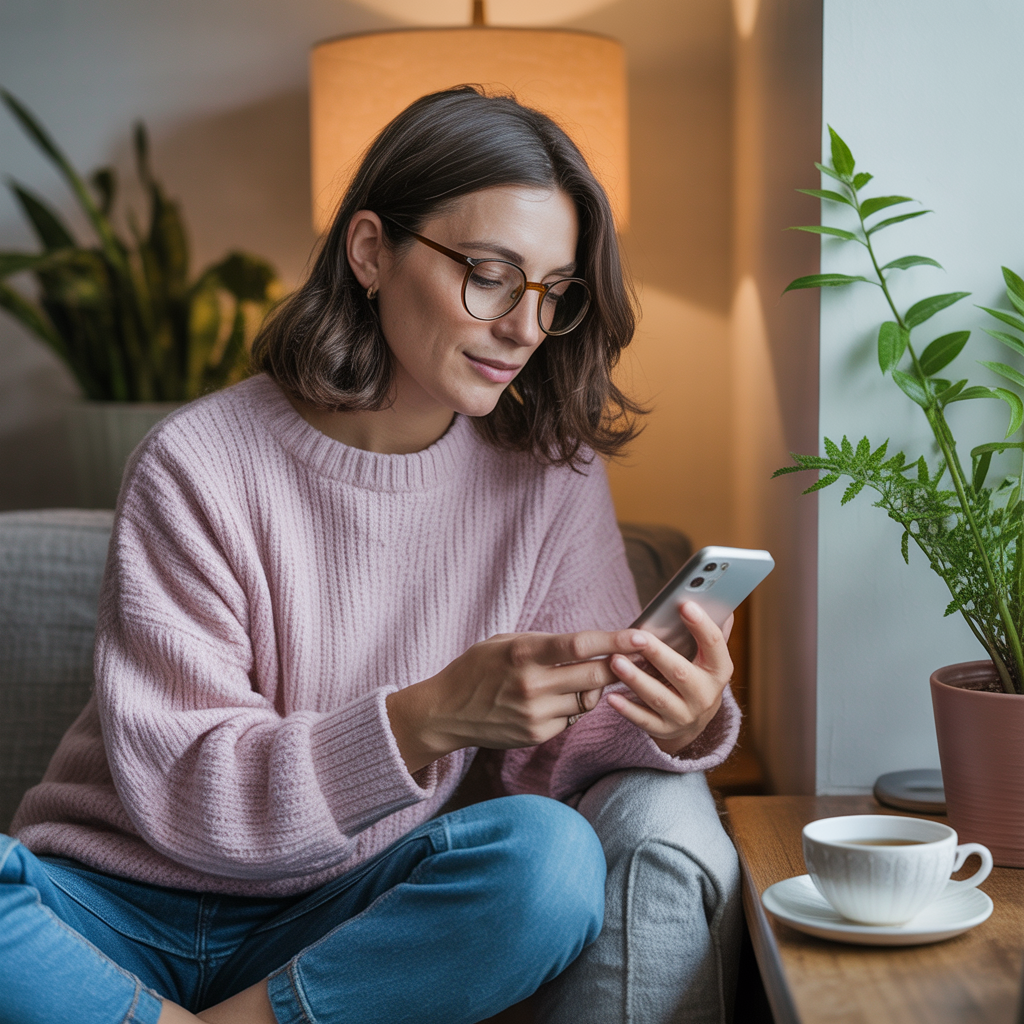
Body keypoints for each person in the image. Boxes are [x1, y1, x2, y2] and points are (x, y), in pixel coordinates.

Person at [0, 86, 741, 1024]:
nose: (522, 325)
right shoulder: (197, 463)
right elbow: (190, 795)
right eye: (490, 273)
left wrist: (678, 719)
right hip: (108, 910)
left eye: (553, 292)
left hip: (333, 923)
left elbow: (564, 757)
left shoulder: (550, 478)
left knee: (549, 860)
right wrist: (427, 717)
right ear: (369, 252)